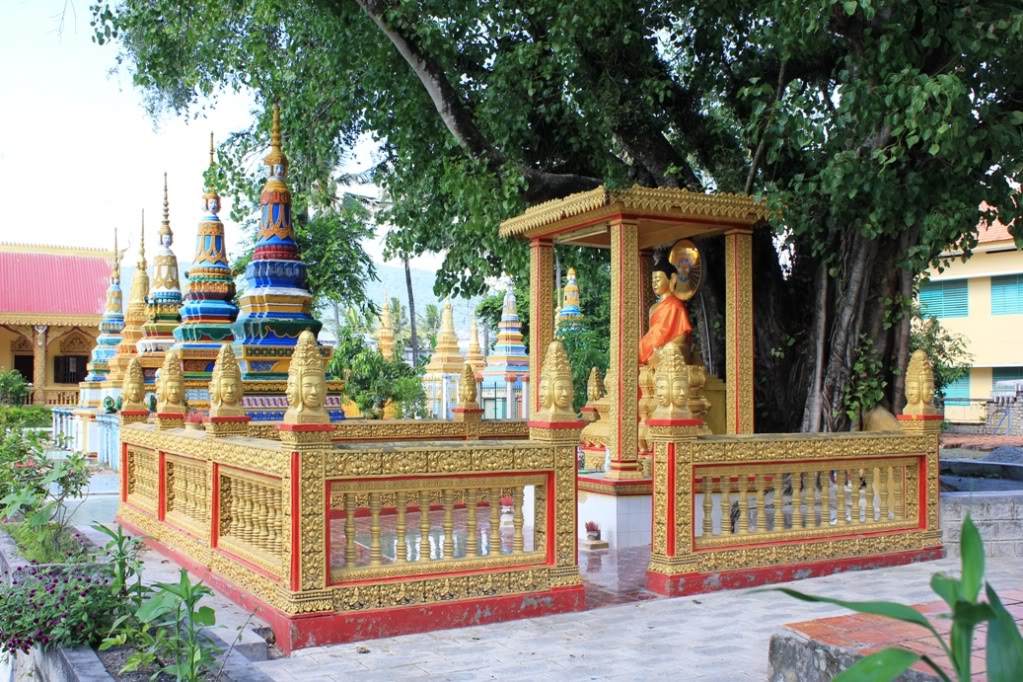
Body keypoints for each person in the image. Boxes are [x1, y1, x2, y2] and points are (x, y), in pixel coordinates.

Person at [639, 253, 693, 365]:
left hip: (664, 350)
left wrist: (665, 348)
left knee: (660, 356)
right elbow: (652, 333)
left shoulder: (676, 305)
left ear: (672, 279)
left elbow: (681, 338)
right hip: (647, 348)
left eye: (658, 279)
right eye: (653, 280)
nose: (654, 283)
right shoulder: (653, 308)